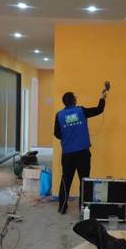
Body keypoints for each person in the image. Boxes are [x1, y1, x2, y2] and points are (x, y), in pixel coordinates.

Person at [54, 85, 108, 214]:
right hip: (83, 153)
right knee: (84, 180)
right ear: (74, 100)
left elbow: (57, 134)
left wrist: (67, 135)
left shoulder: (59, 115)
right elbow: (99, 110)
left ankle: (62, 207)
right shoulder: (81, 111)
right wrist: (103, 98)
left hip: (68, 154)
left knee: (66, 180)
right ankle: (84, 209)